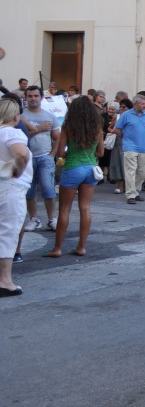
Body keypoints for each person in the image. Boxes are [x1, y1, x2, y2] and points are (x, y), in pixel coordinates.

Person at [43, 97, 103, 257]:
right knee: (85, 208)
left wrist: (72, 153)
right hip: (91, 169)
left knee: (64, 209)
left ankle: (57, 248)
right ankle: (81, 247)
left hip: (73, 167)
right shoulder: (96, 127)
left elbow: (61, 152)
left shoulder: (68, 126)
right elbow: (101, 152)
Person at [0, 98, 31, 296]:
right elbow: (21, 154)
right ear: (15, 116)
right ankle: (5, 280)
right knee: (8, 232)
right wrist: (18, 169)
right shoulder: (11, 132)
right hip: (10, 187)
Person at [21, 85, 59, 231]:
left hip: (45, 157)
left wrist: (52, 155)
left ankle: (51, 219)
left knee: (48, 188)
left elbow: (57, 138)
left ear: (41, 97)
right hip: (27, 158)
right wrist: (38, 129)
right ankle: (34, 219)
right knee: (29, 190)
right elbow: (20, 136)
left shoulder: (50, 116)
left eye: (36, 96)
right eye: (30, 96)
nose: (33, 99)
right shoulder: (22, 117)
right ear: (26, 98)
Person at [114, 94, 145, 204]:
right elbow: (116, 129)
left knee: (141, 172)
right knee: (131, 170)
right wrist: (125, 137)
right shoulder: (126, 115)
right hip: (130, 146)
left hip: (143, 147)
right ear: (135, 104)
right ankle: (130, 194)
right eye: (142, 104)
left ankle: (136, 192)